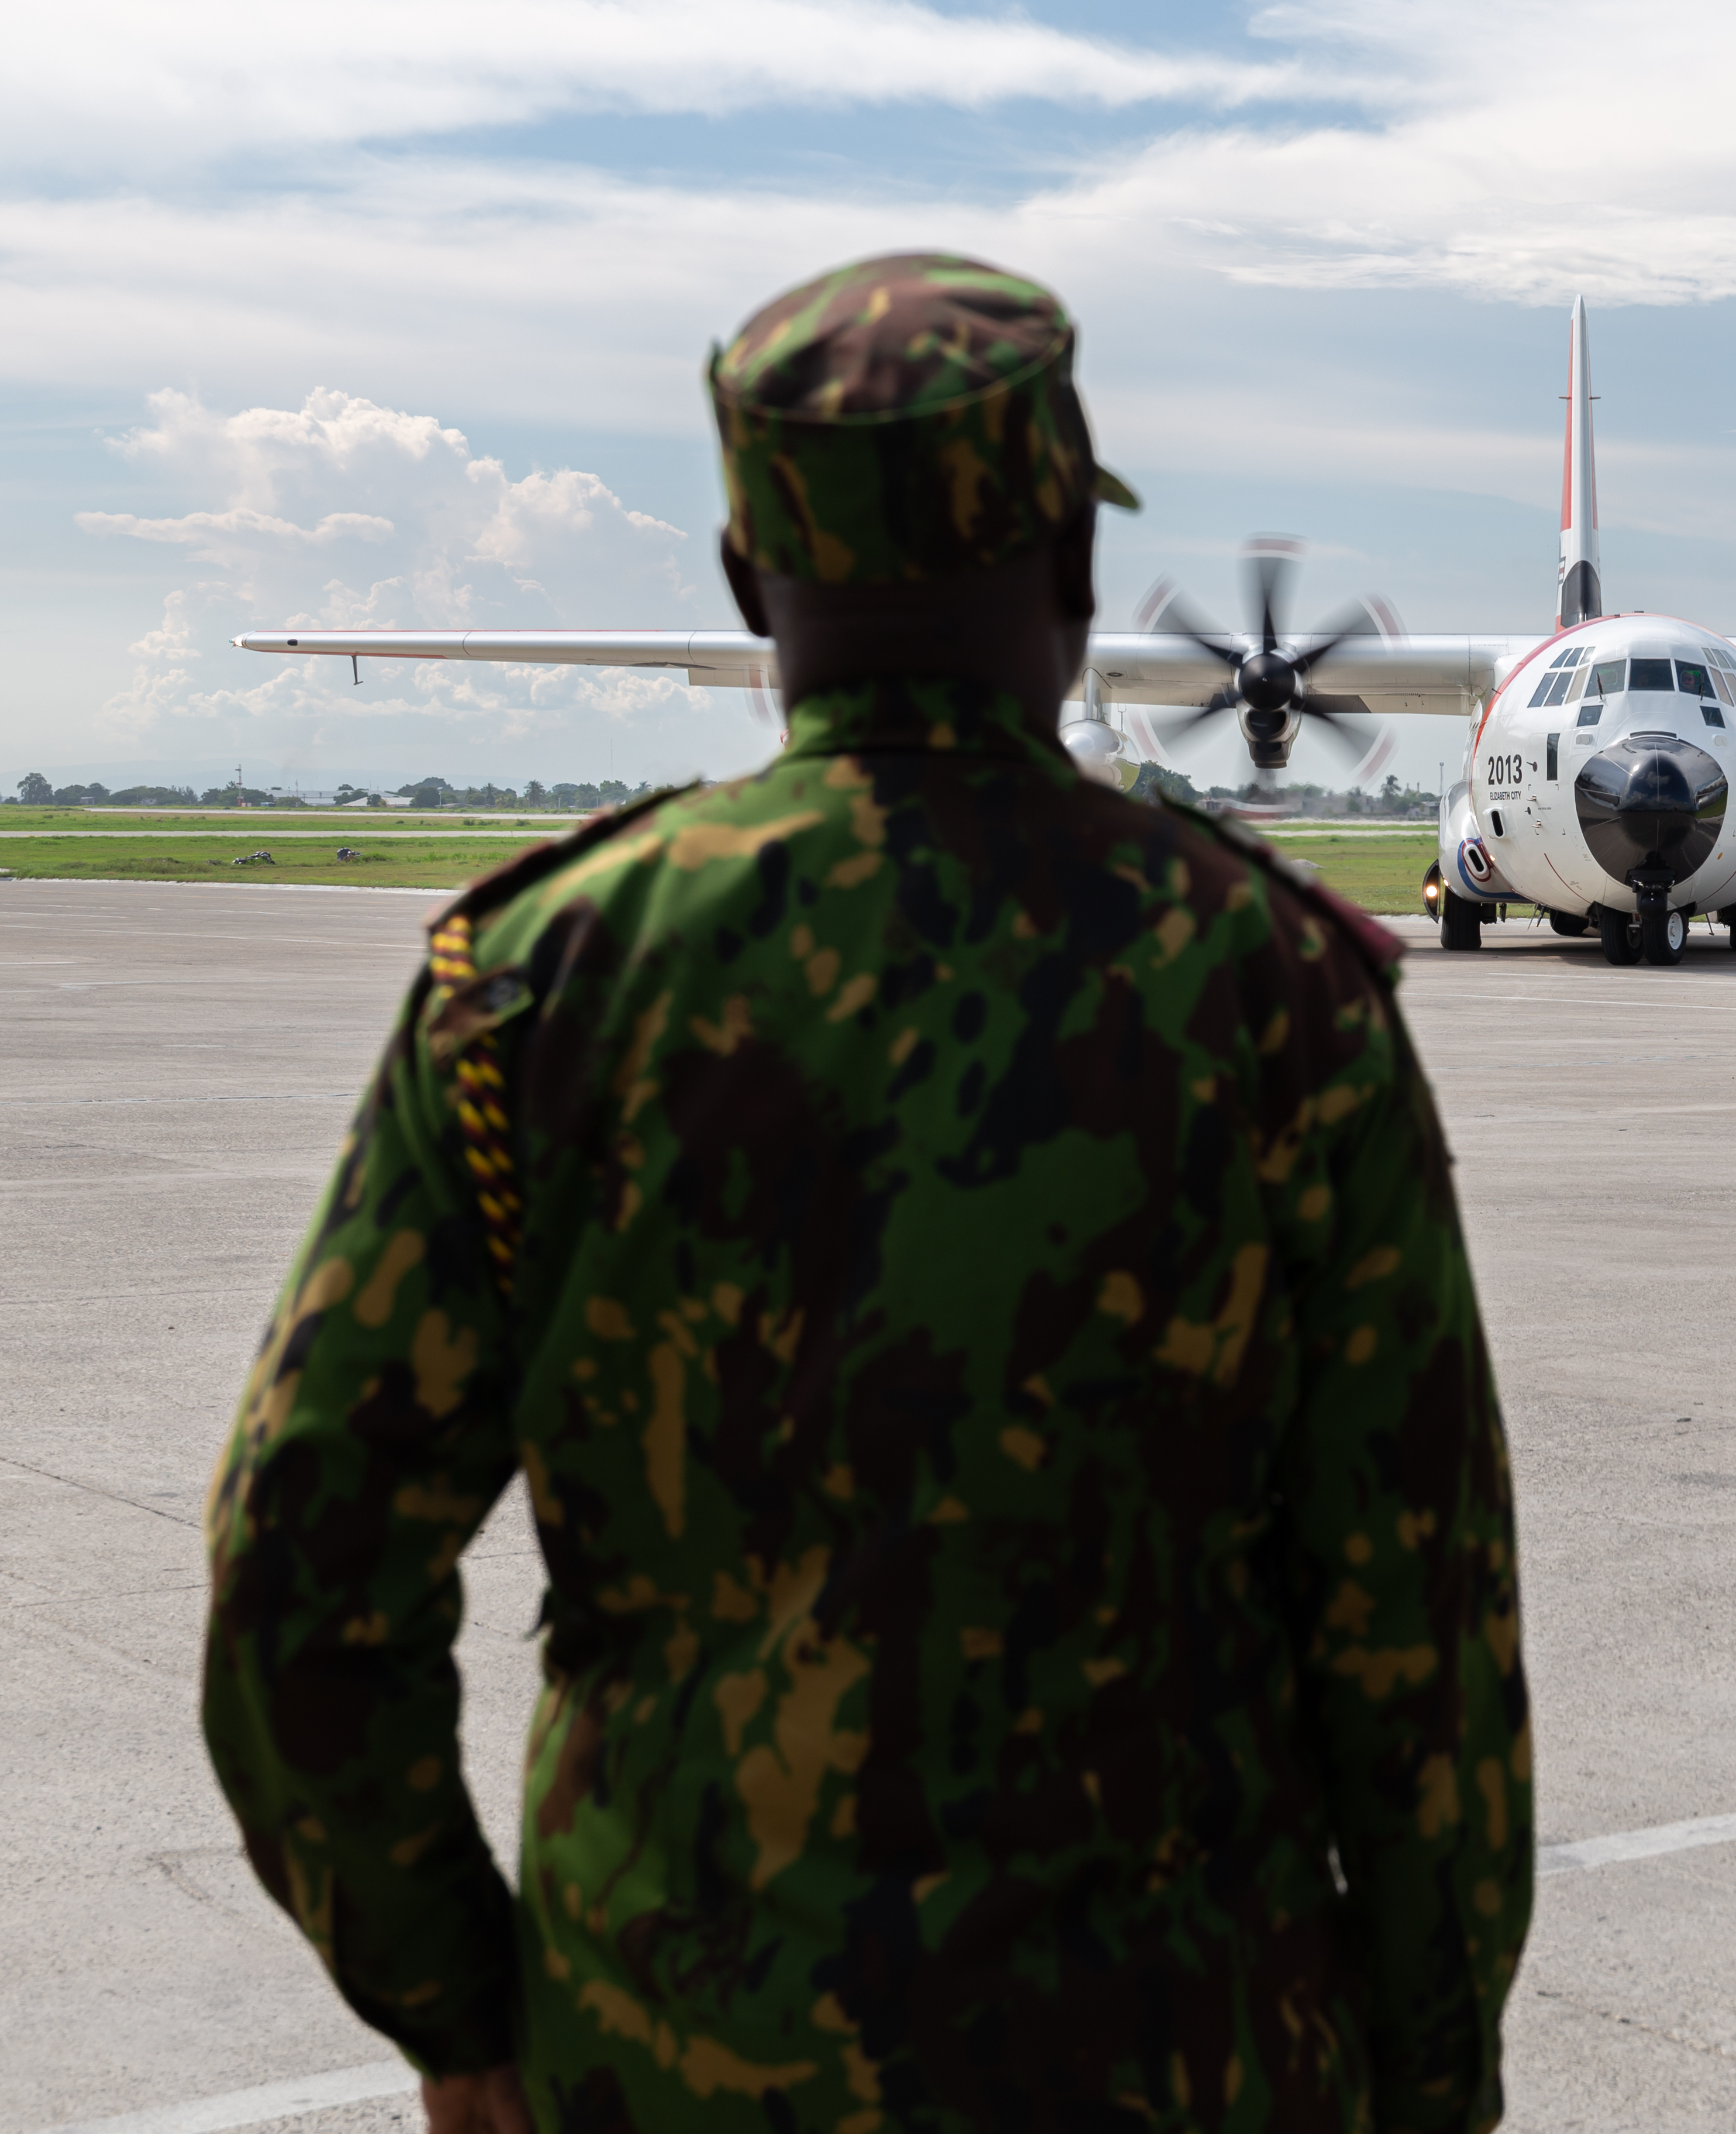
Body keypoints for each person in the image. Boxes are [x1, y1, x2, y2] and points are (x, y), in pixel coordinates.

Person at [199, 253, 1531, 2134]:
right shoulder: (1277, 989)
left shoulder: (533, 988)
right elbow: (1424, 1616)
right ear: (1073, 556)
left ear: (752, 582)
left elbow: (297, 1576)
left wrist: (459, 2011)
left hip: (667, 2054)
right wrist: (1433, 2065)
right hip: (1184, 2056)